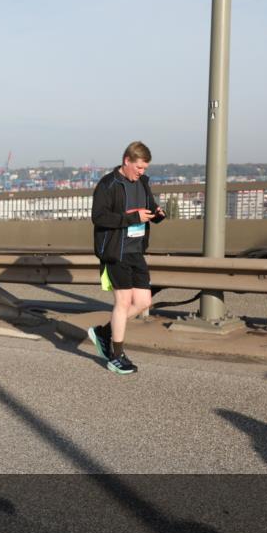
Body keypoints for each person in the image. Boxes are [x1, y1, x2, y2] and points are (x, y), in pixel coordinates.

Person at [88, 141, 165, 374]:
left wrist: (157, 214)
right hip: (115, 251)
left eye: (145, 168)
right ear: (127, 161)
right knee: (122, 302)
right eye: (139, 167)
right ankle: (116, 356)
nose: (141, 172)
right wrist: (132, 218)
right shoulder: (108, 184)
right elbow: (99, 217)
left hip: (136, 250)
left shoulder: (143, 183)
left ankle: (104, 332)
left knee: (143, 302)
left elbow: (147, 209)